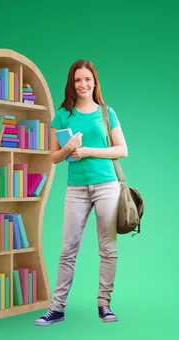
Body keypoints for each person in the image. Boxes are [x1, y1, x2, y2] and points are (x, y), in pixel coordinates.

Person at [34, 59, 128, 326]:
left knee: (107, 249)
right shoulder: (63, 115)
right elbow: (53, 157)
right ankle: (57, 308)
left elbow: (122, 150)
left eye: (87, 79)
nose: (83, 84)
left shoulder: (107, 113)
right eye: (77, 80)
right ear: (71, 84)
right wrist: (69, 147)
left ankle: (104, 305)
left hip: (107, 186)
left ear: (94, 81)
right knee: (67, 250)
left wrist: (88, 150)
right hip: (76, 189)